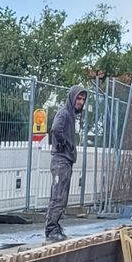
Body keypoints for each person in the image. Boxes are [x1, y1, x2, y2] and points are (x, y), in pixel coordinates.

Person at [44, 85, 86, 241]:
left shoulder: (70, 115)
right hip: (61, 160)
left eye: (83, 99)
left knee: (62, 195)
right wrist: (64, 144)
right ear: (72, 98)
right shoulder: (64, 114)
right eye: (78, 98)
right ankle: (51, 229)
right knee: (58, 196)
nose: (80, 102)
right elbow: (55, 129)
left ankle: (55, 225)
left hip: (65, 160)